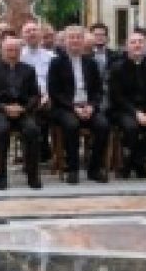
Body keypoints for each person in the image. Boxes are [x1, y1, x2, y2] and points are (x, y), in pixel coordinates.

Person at [46, 25, 109, 185]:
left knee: (103, 125)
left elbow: (98, 90)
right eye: (71, 37)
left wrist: (92, 106)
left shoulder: (91, 63)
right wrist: (74, 107)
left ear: (83, 41)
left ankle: (94, 168)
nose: (75, 41)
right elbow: (54, 92)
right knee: (71, 124)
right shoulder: (56, 63)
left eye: (78, 37)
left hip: (87, 106)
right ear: (65, 41)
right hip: (65, 107)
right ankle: (72, 169)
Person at [0, 34, 43, 191]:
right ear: (1, 51)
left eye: (16, 50)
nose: (12, 53)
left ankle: (32, 175)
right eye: (9, 50)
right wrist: (4, 108)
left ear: (20, 51)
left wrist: (24, 108)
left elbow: (35, 95)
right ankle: (2, 175)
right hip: (0, 110)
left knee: (32, 130)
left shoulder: (28, 70)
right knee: (1, 130)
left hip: (23, 110)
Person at [107, 30, 146, 179]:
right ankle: (133, 164)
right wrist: (136, 113)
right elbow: (117, 96)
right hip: (124, 109)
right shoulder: (117, 67)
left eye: (141, 42)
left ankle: (136, 159)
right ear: (127, 46)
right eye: (133, 42)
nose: (137, 45)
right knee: (131, 127)